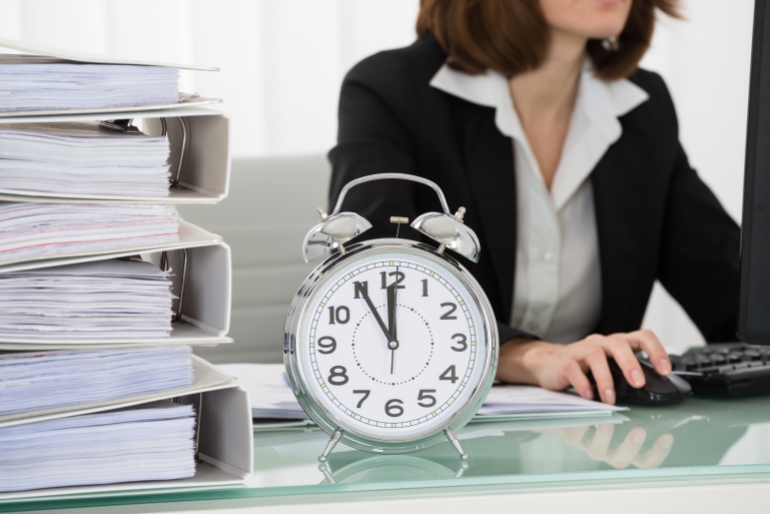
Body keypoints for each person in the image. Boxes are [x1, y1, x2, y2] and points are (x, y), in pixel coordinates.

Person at [328, 0, 740, 404]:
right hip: (434, 433)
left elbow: (725, 282)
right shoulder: (392, 88)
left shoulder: (641, 104)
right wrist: (531, 356)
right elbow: (372, 287)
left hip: (600, 443)